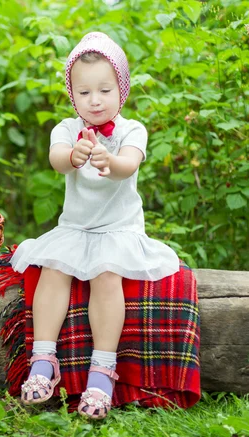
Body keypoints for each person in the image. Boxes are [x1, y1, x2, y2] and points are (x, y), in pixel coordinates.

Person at [9, 31, 181, 419]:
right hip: (76, 228)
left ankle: (102, 370)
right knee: (54, 268)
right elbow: (56, 159)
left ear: (121, 88)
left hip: (119, 230)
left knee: (106, 275)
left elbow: (129, 164)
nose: (95, 100)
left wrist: (109, 161)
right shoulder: (66, 130)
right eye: (84, 93)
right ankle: (43, 360)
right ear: (73, 96)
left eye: (105, 89)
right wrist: (74, 155)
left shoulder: (131, 130)